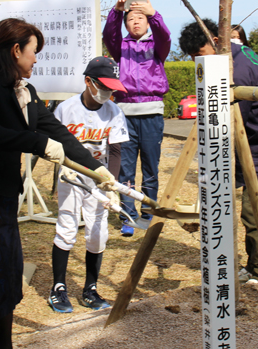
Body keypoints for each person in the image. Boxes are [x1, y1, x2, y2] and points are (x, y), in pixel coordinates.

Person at [0, 18, 115, 349]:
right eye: (33, 53)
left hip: (4, 195)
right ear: (16, 51)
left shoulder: (25, 90)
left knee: (7, 275)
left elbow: (59, 133)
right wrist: (36, 144)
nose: (36, 61)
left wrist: (97, 170)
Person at [178, 19, 258, 284]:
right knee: (252, 209)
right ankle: (255, 266)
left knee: (256, 212)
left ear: (214, 41)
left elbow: (231, 125)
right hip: (256, 143)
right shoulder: (232, 54)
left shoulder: (238, 70)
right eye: (192, 58)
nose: (196, 63)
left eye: (199, 55)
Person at [49, 56, 129, 313]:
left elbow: (115, 152)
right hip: (72, 175)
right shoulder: (66, 108)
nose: (107, 92)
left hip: (99, 177)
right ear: (88, 81)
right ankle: (58, 288)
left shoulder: (114, 112)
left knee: (98, 232)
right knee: (67, 226)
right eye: (103, 86)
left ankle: (90, 288)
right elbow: (55, 146)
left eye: (111, 88)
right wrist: (64, 168)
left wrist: (110, 182)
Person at [103, 0, 170, 236]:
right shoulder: (120, 47)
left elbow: (165, 35)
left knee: (151, 166)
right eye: (131, 19)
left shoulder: (157, 45)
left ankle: (149, 213)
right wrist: (116, 11)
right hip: (125, 113)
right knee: (126, 169)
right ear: (126, 23)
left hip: (152, 112)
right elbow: (108, 33)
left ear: (147, 22)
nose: (135, 22)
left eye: (140, 18)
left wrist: (154, 14)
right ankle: (128, 216)